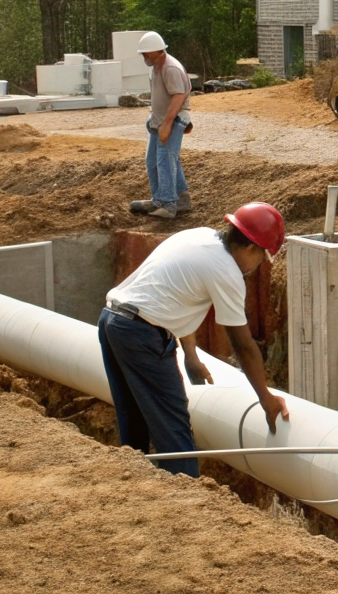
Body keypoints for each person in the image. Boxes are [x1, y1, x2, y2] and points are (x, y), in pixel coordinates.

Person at [98, 202, 290, 476]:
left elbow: (173, 296)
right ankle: (188, 501)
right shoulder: (227, 272)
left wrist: (191, 355)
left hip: (112, 321)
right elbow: (243, 346)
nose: (258, 266)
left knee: (134, 424)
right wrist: (266, 398)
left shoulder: (199, 236)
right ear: (250, 247)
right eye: (262, 257)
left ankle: (134, 492)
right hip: (141, 334)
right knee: (176, 435)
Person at [132, 30, 191, 219]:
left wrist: (167, 124)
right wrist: (154, 118)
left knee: (164, 161)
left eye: (146, 54)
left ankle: (168, 204)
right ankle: (175, 199)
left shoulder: (170, 68)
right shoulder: (156, 66)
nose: (144, 57)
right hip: (159, 121)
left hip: (172, 120)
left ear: (158, 51)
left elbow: (179, 95)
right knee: (155, 161)